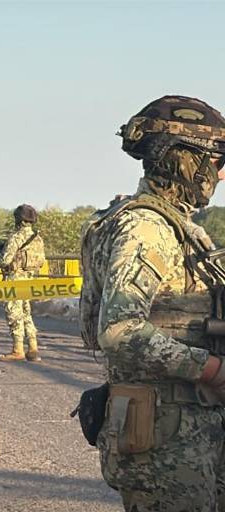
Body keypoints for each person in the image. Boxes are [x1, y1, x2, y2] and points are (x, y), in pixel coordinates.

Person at [80, 95, 225, 511]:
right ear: (188, 161)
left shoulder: (170, 225)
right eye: (217, 161)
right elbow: (119, 330)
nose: (220, 174)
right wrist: (212, 370)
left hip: (184, 427)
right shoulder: (147, 226)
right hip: (167, 437)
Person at [0, 204, 46, 362]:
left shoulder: (16, 237)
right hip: (29, 279)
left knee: (14, 314)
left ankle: (18, 350)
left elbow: (3, 261)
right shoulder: (38, 238)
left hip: (14, 279)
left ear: (18, 220)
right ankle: (33, 349)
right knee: (26, 313)